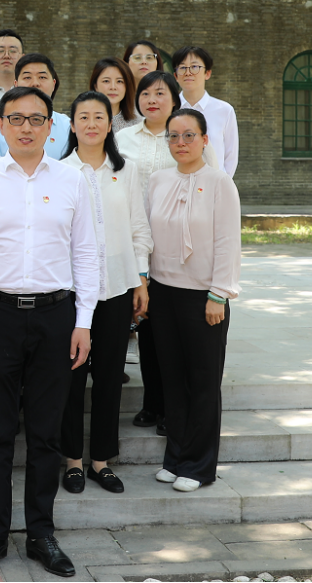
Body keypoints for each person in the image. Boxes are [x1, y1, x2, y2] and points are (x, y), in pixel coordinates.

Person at [0, 85, 97, 579]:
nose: (26, 128)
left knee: (45, 434)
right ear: (1, 126)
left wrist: (84, 322)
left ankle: (41, 534)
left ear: (51, 127)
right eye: (16, 118)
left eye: (37, 119)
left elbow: (86, 253)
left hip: (56, 316)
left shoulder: (72, 180)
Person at [115, 70, 220, 435]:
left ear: (175, 100)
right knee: (147, 326)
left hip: (181, 248)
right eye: (145, 93)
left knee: (177, 335)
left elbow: (214, 187)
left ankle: (173, 409)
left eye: (160, 93)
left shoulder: (187, 136)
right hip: (135, 241)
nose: (151, 100)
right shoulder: (123, 138)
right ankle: (153, 402)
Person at [58, 91, 151, 497]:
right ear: (72, 125)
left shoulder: (126, 170)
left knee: (110, 376)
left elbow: (138, 227)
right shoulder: (59, 171)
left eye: (99, 116)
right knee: (71, 376)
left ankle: (101, 461)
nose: (92, 123)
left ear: (110, 124)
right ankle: (72, 461)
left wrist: (140, 278)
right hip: (70, 290)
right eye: (84, 117)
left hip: (116, 286)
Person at [146, 108, 240, 493]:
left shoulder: (219, 183)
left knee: (203, 381)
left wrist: (219, 294)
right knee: (172, 379)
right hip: (162, 292)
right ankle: (175, 458)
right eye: (173, 136)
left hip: (204, 296)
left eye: (189, 135)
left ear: (204, 139)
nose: (180, 143)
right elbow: (146, 235)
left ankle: (199, 466)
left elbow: (228, 241)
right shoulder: (157, 180)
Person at [173, 46, 239, 177]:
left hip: (214, 184)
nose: (188, 72)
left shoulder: (224, 110)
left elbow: (231, 157)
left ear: (207, 73)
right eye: (182, 68)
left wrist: (222, 183)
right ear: (175, 75)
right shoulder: (169, 109)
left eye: (194, 67)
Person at [0, 53, 69, 160]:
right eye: (27, 77)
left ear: (53, 84)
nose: (35, 84)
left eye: (42, 77)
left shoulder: (68, 127)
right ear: (16, 84)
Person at [90, 57, 140, 132]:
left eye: (119, 81)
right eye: (106, 81)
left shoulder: (138, 124)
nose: (113, 87)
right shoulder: (83, 121)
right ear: (95, 86)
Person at [0, 30, 23, 106]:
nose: (6, 56)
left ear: (22, 58)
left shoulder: (30, 93)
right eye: (0, 51)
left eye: (13, 51)